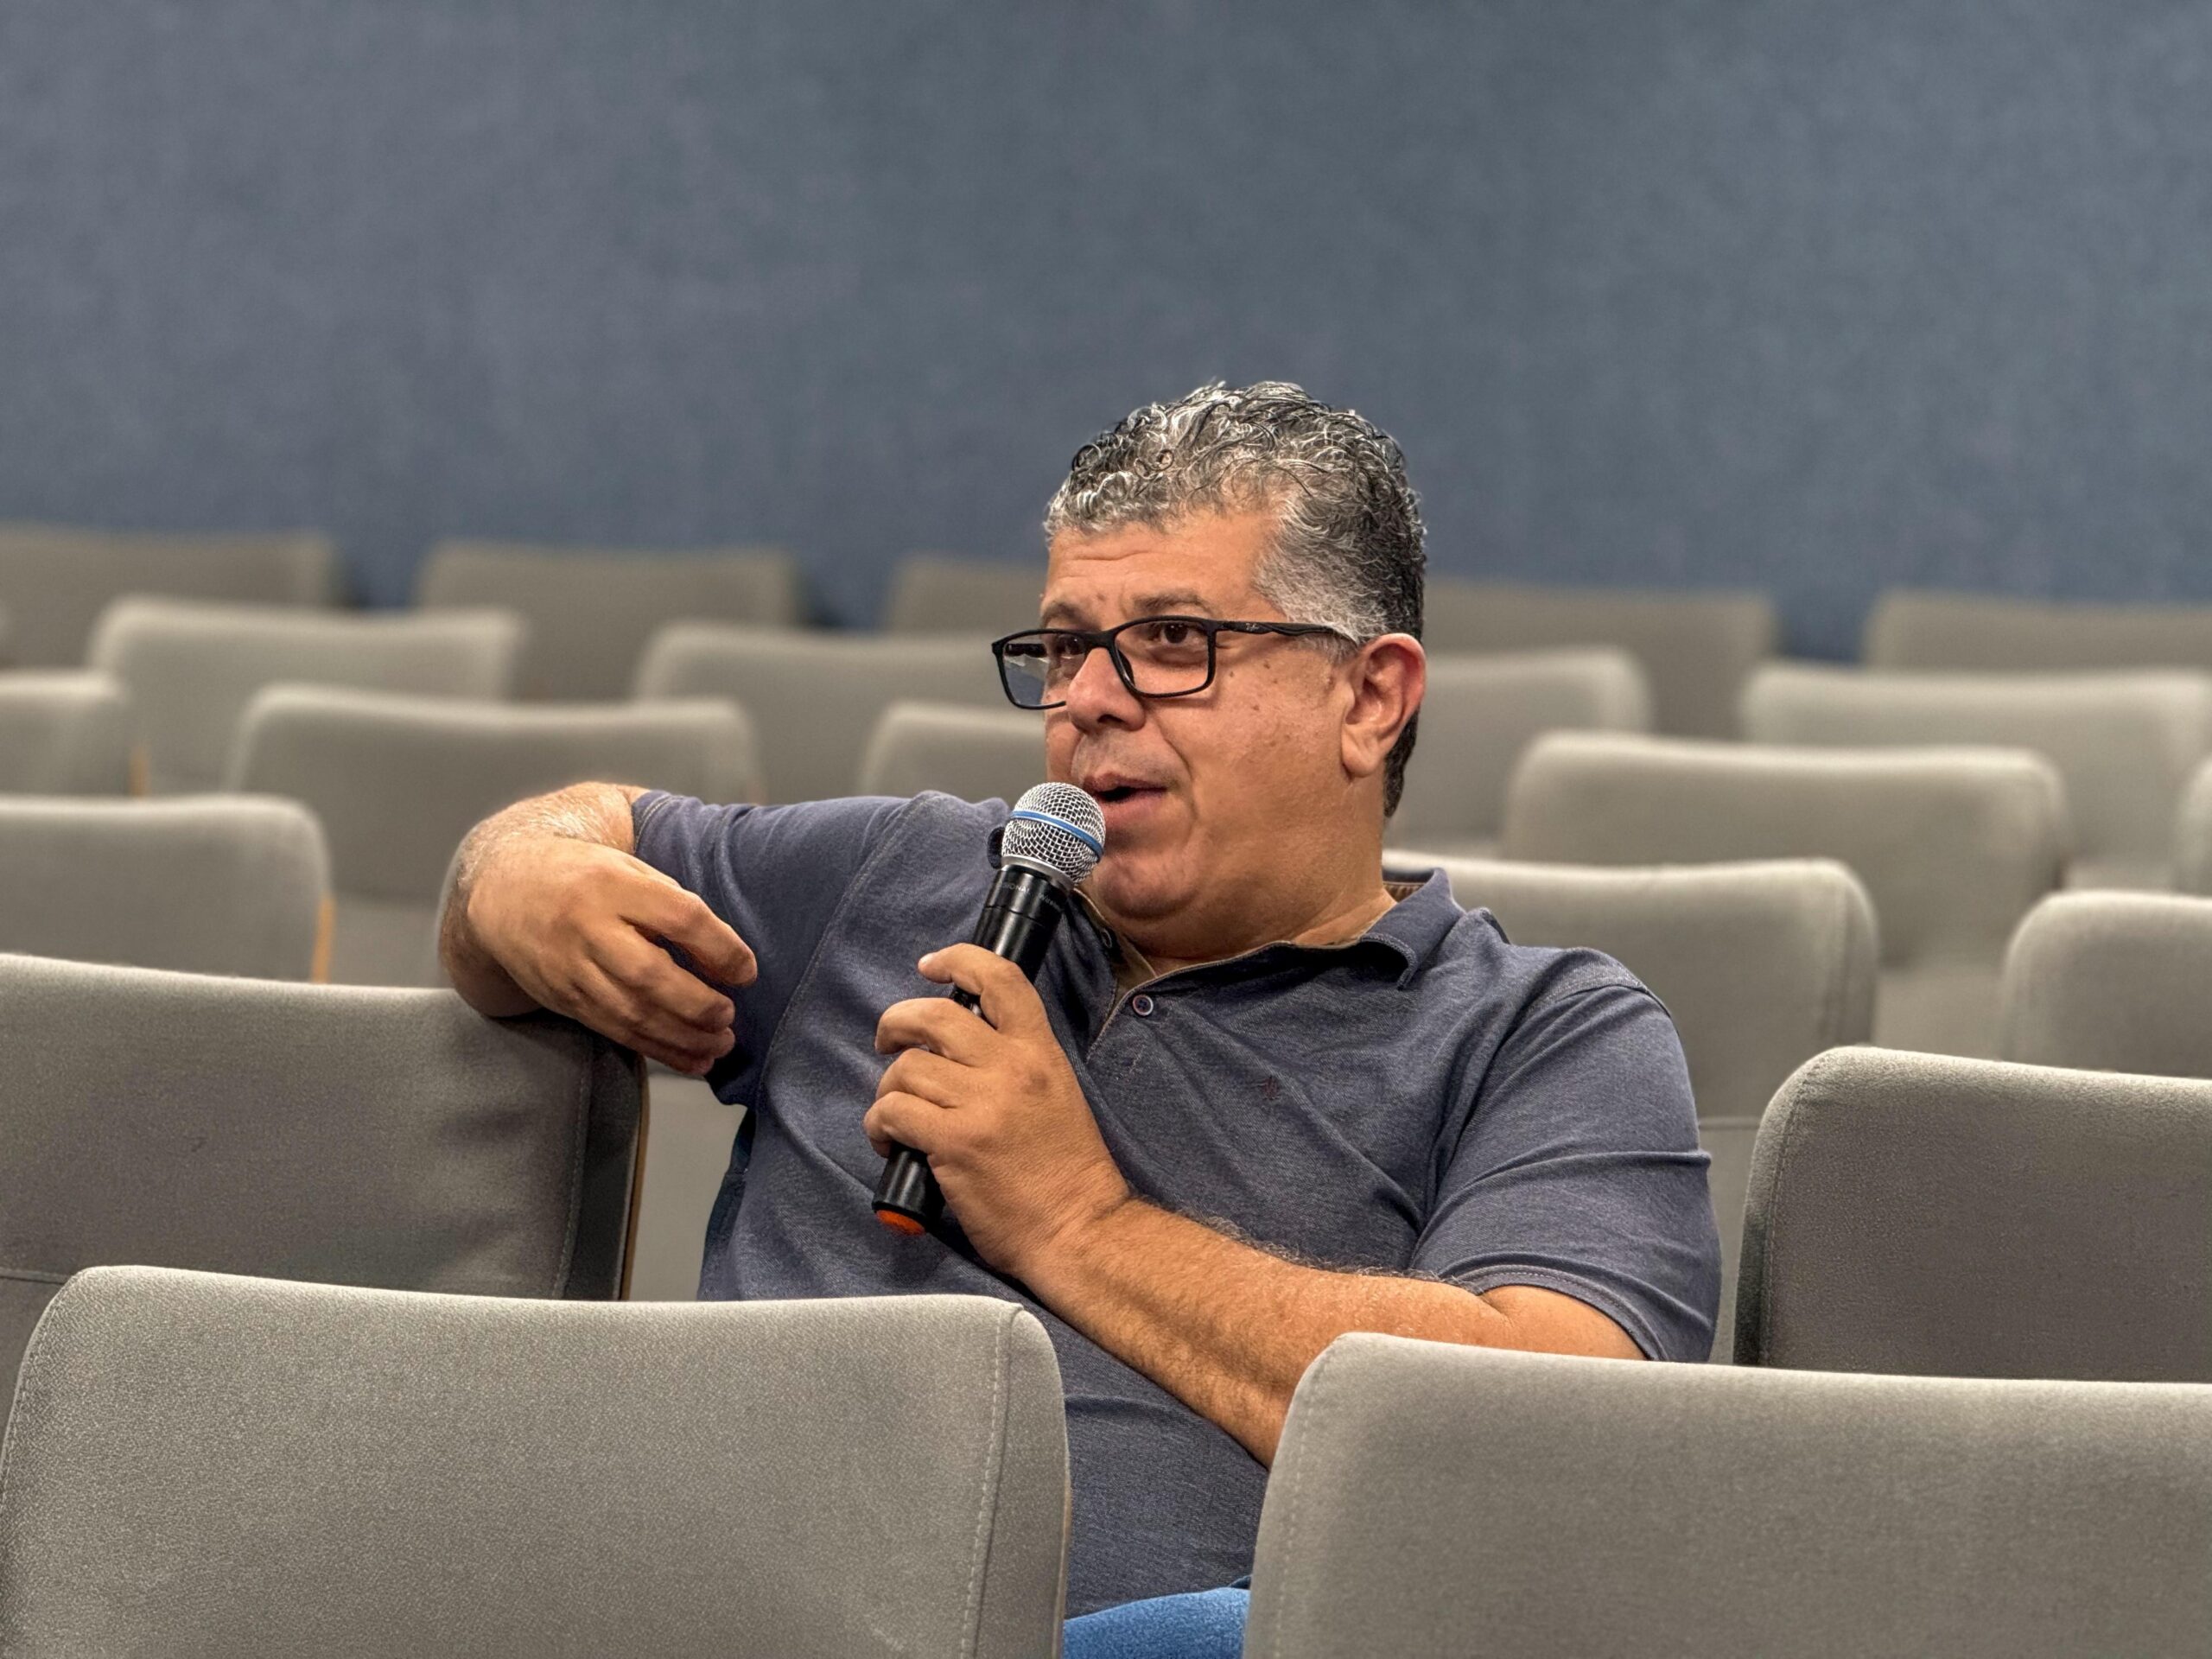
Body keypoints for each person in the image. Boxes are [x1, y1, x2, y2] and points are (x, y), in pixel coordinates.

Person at [439, 382, 1720, 1656]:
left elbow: (1545, 1445)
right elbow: (580, 829)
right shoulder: (900, 871)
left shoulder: (1542, 1032)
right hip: (694, 1610)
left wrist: (1076, 1220)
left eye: (1172, 640)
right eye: (1063, 650)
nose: (1091, 701)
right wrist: (514, 874)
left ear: (1368, 698)